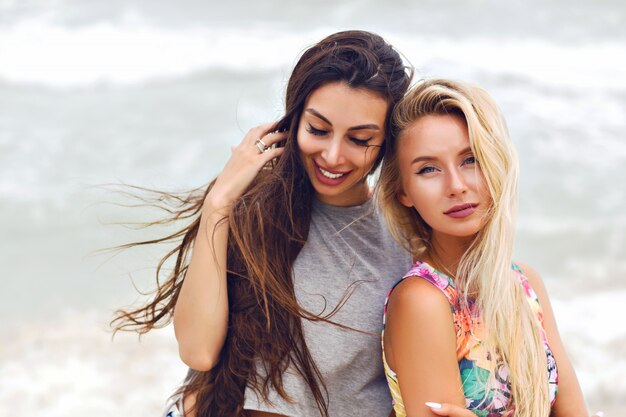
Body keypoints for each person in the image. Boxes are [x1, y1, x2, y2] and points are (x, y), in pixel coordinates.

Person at [112, 30, 413, 417]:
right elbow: (198, 351)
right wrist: (219, 202)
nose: (333, 155)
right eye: (318, 130)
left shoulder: (405, 237)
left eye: (359, 139)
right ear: (294, 117)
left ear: (386, 142)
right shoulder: (254, 206)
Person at [377, 79, 592, 417]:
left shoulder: (525, 285)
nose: (457, 186)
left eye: (470, 159)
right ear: (404, 191)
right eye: (428, 169)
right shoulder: (422, 301)